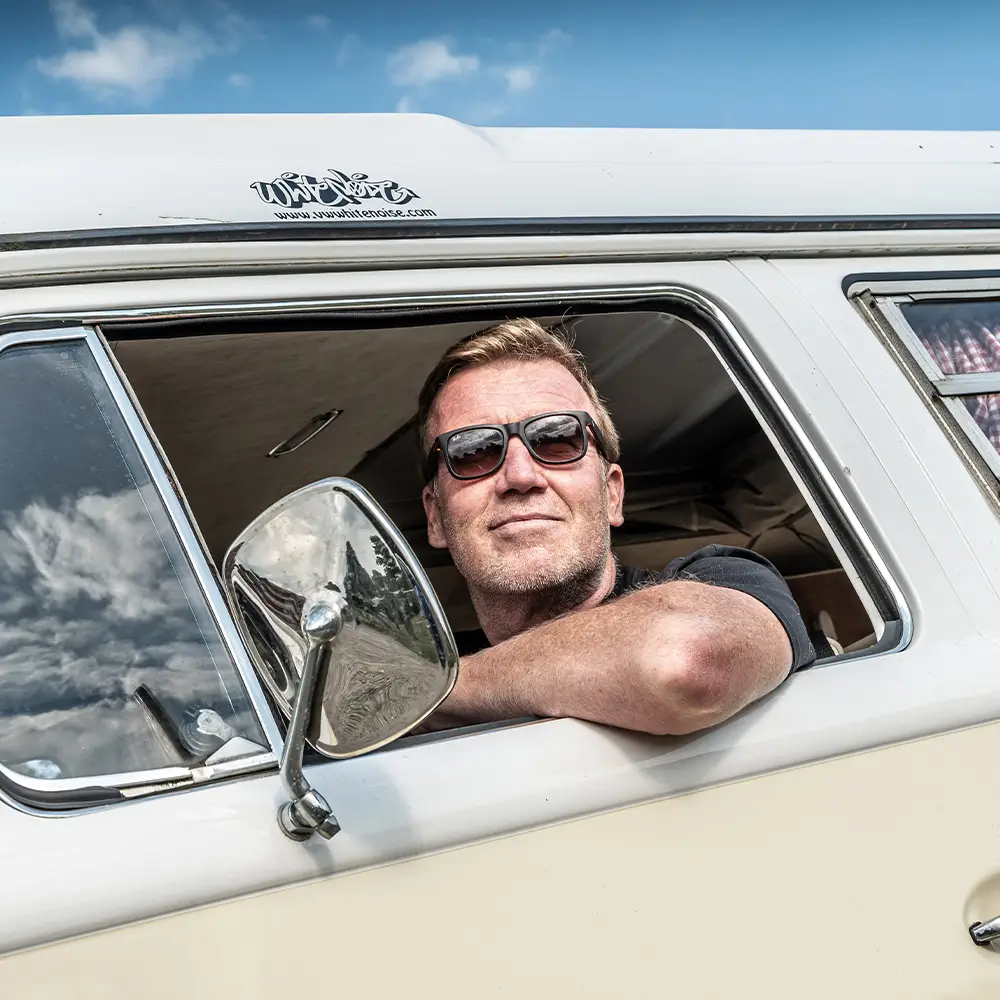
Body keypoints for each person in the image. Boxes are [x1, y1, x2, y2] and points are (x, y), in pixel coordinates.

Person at [418, 318, 815, 736]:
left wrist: (439, 694)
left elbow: (684, 660)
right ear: (436, 517)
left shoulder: (728, 581)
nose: (519, 475)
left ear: (612, 495)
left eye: (557, 438)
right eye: (473, 451)